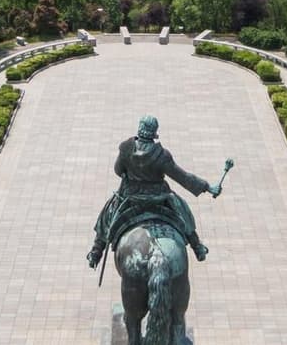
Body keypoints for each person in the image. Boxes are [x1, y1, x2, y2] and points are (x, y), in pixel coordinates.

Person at [88, 115, 219, 268]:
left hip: (130, 196)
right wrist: (207, 187)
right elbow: (182, 177)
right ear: (155, 132)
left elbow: (118, 170)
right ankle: (197, 246)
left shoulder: (126, 148)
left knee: (108, 213)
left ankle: (96, 251)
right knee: (183, 210)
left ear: (140, 129)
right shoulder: (162, 155)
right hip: (159, 197)